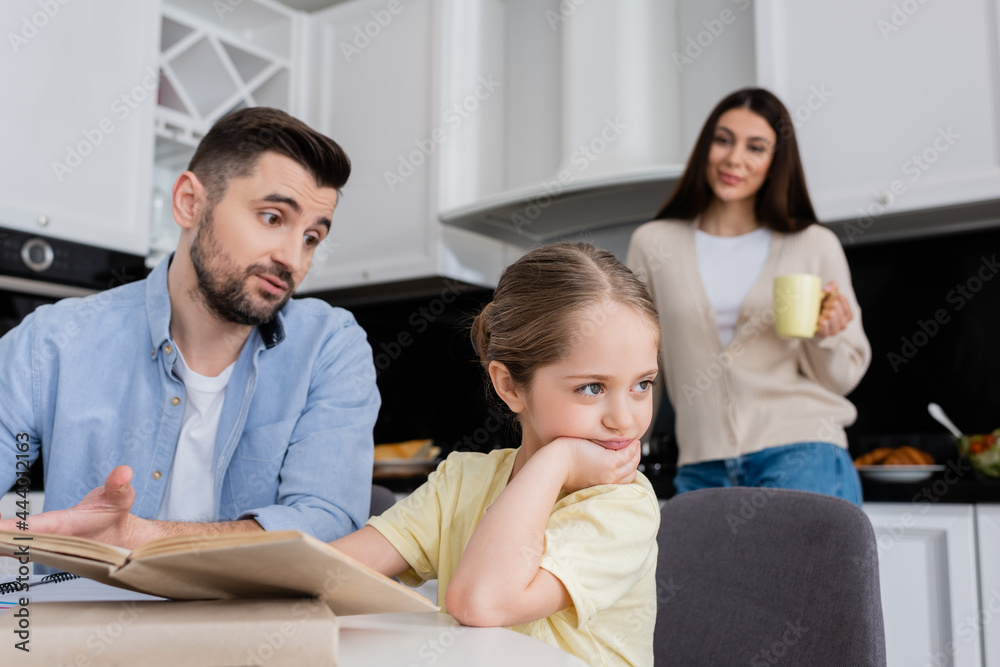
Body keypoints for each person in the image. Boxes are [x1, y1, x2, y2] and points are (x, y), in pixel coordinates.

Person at [0, 107, 380, 548]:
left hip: (252, 619)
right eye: (273, 217)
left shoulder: (329, 347)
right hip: (75, 614)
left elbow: (327, 522)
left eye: (312, 237)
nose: (294, 260)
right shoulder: (52, 341)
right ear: (189, 203)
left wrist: (145, 538)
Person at [333, 242, 661, 667]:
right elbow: (330, 572)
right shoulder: (462, 482)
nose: (624, 419)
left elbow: (481, 602)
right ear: (509, 387)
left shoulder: (624, 505)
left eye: (642, 384)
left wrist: (554, 461)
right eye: (592, 388)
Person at [627, 87, 871, 504]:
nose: (734, 158)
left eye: (756, 147)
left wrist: (825, 334)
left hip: (804, 452)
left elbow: (842, 379)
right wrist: (619, 452)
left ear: (777, 161)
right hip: (701, 466)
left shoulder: (813, 244)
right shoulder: (653, 244)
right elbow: (637, 365)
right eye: (723, 140)